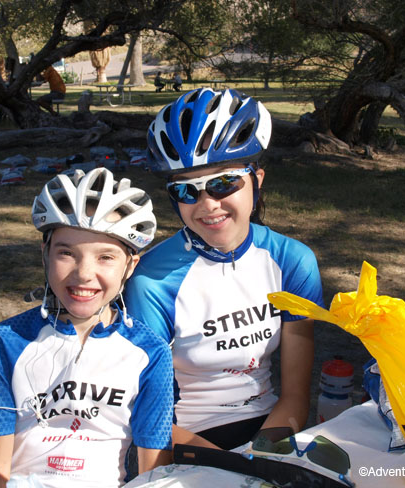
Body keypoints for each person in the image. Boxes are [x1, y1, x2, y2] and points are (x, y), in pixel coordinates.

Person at [124, 88, 324, 451]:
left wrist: (258, 457)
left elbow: (296, 396)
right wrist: (230, 467)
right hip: (184, 437)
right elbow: (150, 414)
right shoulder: (151, 282)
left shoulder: (293, 261)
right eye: (186, 191)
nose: (208, 205)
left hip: (270, 426)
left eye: (223, 183)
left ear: (257, 180)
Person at [0, 168, 173, 488]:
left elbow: (155, 473)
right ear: (45, 254)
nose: (83, 274)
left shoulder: (151, 353)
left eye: (105, 257)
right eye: (66, 253)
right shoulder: (3, 342)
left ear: (130, 266)